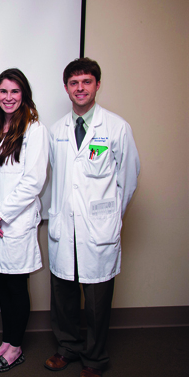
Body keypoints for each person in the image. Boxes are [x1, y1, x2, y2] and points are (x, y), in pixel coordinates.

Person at [45, 58, 140, 377]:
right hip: (64, 227)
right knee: (63, 298)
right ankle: (68, 348)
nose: (80, 88)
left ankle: (95, 359)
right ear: (66, 88)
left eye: (86, 81)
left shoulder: (116, 127)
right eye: (74, 83)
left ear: (97, 84)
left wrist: (109, 217)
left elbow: (128, 179)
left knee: (98, 302)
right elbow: (56, 179)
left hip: (98, 229)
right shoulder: (57, 130)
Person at [0, 69, 48, 373]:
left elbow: (33, 182)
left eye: (15, 92)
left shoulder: (34, 130)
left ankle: (15, 346)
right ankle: (7, 341)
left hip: (14, 224)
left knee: (16, 286)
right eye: (3, 92)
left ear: (24, 95)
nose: (8, 98)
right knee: (2, 283)